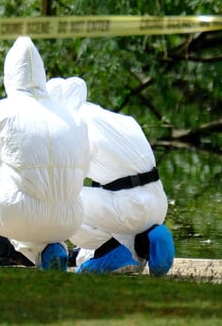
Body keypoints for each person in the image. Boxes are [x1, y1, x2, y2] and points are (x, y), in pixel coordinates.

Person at [0, 36, 91, 269]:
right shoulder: (72, 115)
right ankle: (51, 249)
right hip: (70, 220)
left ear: (8, 76)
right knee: (36, 191)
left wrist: (4, 158)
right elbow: (83, 168)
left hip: (21, 214)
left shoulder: (5, 110)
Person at [47, 76, 175, 276]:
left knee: (55, 201)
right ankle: (148, 240)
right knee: (128, 252)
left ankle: (108, 253)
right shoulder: (114, 118)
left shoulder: (75, 126)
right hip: (156, 205)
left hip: (130, 208)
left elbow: (64, 180)